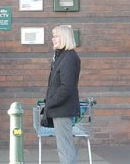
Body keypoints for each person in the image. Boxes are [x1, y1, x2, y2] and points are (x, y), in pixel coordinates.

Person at [44, 25, 81, 164]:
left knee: (65, 148)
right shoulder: (62, 56)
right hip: (60, 108)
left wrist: (51, 102)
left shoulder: (69, 57)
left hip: (62, 109)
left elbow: (67, 87)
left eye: (56, 36)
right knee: (64, 147)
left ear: (65, 37)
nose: (53, 39)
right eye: (53, 36)